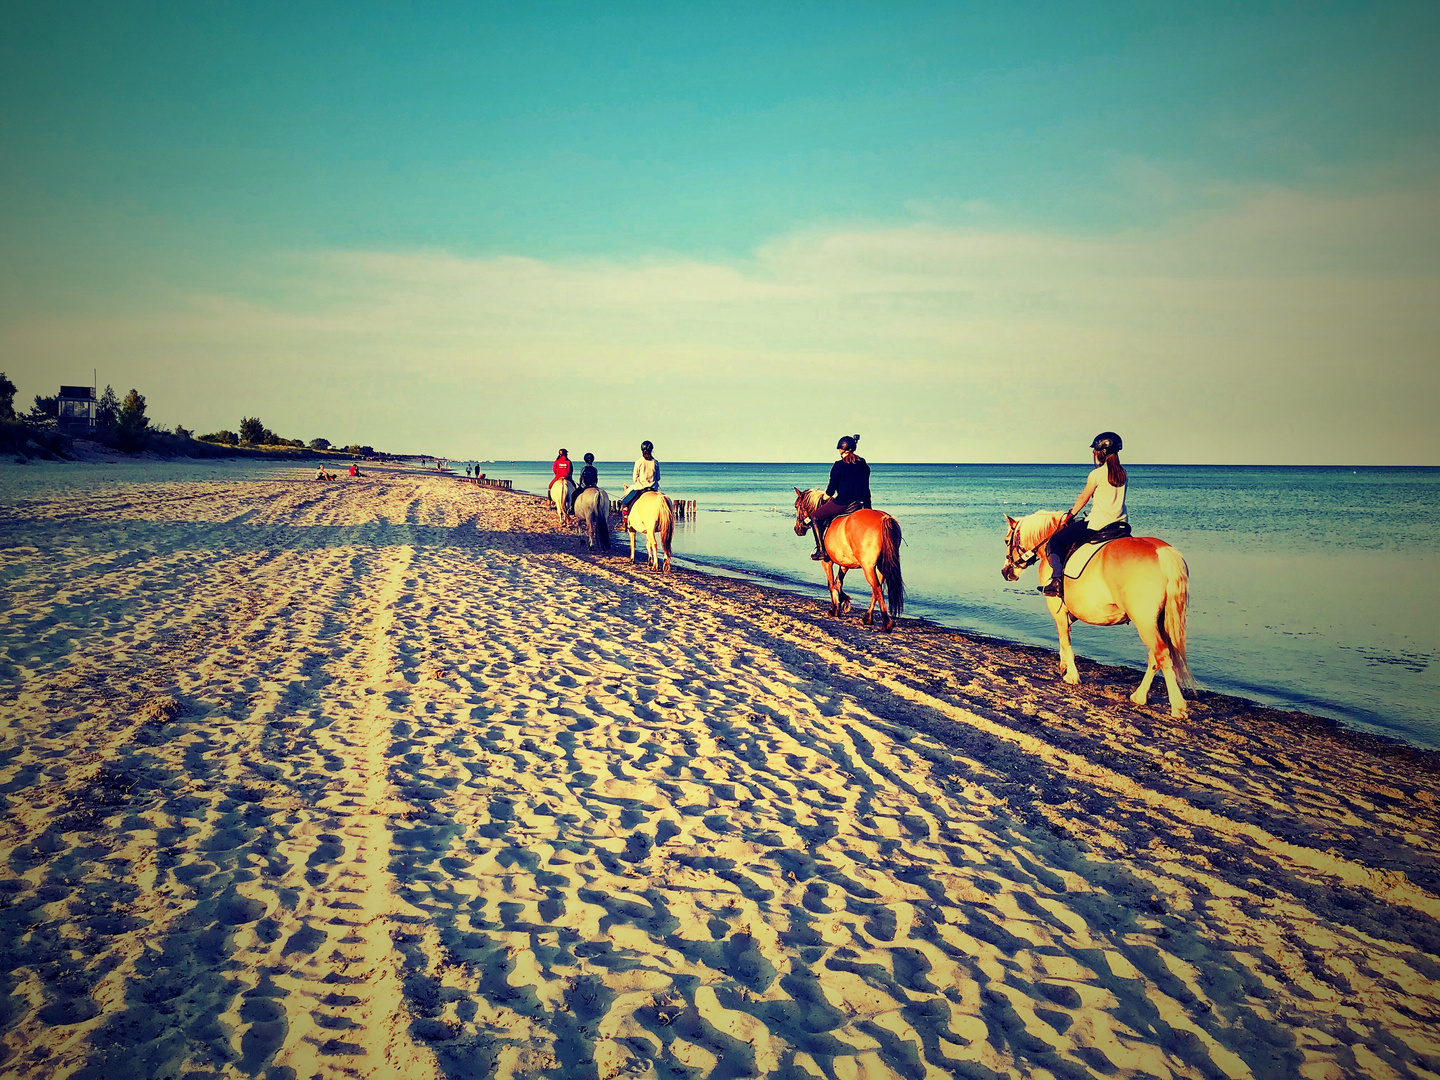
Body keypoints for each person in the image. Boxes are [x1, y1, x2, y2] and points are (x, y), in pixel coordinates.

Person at [1041, 431, 1130, 598]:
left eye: (1095, 450)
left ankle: (1056, 581)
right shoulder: (1123, 473)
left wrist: (1069, 516)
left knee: (1057, 540)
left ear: (1101, 452)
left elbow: (1084, 497)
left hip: (1099, 523)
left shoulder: (1096, 474)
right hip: (1121, 523)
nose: (1094, 453)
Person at [810, 435, 872, 560]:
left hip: (844, 502)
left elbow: (831, 490)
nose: (839, 451)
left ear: (842, 450)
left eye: (839, 449)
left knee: (815, 517)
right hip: (864, 503)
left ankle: (821, 551)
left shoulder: (838, 465)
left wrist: (825, 498)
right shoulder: (864, 465)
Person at [618, 440, 660, 518]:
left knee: (624, 502)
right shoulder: (656, 462)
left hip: (641, 489)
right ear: (651, 450)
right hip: (654, 489)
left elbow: (634, 478)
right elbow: (658, 478)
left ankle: (625, 523)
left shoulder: (639, 462)